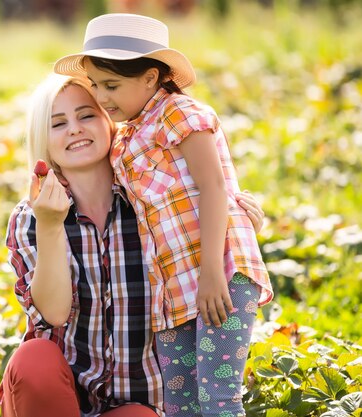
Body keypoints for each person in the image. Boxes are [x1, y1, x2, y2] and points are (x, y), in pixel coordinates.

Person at [0, 72, 266, 417]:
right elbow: (54, 313)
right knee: (34, 361)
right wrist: (50, 227)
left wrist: (236, 225)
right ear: (42, 140)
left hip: (134, 401)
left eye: (87, 115)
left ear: (111, 121)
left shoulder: (152, 206)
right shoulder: (32, 215)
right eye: (58, 123)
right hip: (57, 398)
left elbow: (197, 237)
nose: (75, 129)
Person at [53, 13, 274, 417]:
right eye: (96, 86)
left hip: (218, 272)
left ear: (151, 77)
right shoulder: (125, 138)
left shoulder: (180, 114)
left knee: (219, 398)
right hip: (170, 290)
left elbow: (213, 187)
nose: (101, 98)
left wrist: (213, 269)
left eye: (112, 85)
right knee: (180, 405)